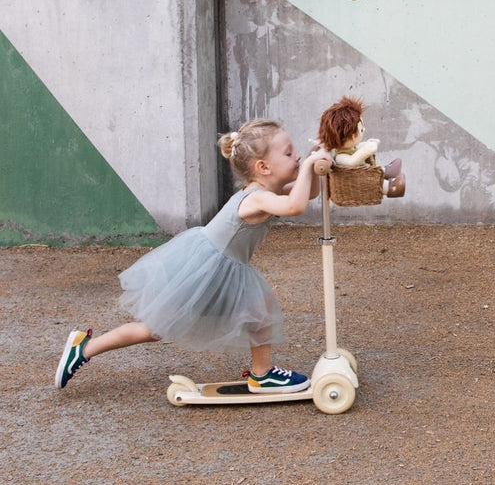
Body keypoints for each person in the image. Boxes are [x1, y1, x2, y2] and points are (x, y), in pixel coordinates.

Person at [54, 118, 331, 393]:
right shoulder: (256, 197)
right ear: (263, 167)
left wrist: (313, 164)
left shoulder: (268, 191)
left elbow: (307, 194)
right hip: (204, 270)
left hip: (220, 268)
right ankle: (84, 348)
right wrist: (309, 165)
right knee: (154, 329)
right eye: (288, 153)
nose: (296, 156)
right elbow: (294, 206)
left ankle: (262, 374)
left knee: (260, 313)